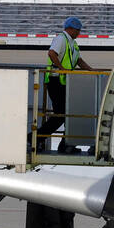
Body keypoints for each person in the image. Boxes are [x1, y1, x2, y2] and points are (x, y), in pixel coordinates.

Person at [37, 16, 94, 152]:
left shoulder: (72, 43)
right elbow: (51, 53)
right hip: (56, 81)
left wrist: (92, 70)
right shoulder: (61, 39)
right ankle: (35, 138)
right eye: (78, 30)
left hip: (65, 82)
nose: (79, 33)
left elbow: (78, 60)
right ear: (70, 29)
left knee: (68, 114)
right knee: (61, 114)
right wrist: (62, 69)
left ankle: (65, 144)